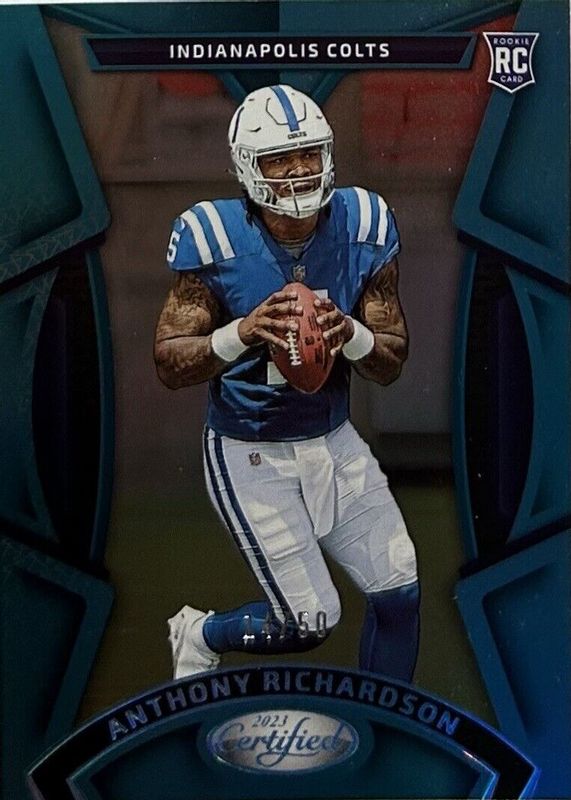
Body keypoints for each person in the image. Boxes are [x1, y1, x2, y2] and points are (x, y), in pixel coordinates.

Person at [154, 84, 419, 682]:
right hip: (250, 448)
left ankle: (390, 728)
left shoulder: (364, 222)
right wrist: (241, 333)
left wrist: (351, 332)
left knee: (399, 586)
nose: (299, 170)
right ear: (248, 167)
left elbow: (391, 360)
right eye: (279, 158)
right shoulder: (215, 235)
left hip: (333, 439)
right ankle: (201, 633)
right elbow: (169, 361)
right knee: (308, 621)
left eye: (309, 153)